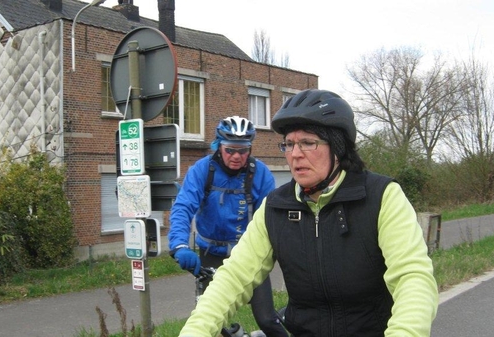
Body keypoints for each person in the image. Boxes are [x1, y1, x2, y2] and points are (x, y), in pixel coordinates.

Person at [178, 89, 438, 337]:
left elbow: (412, 278)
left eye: (307, 143)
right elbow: (233, 278)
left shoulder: (382, 197)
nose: (295, 155)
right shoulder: (275, 207)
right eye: (289, 144)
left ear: (338, 147)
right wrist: (194, 331)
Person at [168, 116, 289, 336]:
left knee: (267, 319)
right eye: (230, 149)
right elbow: (183, 206)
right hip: (210, 254)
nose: (236, 156)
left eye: (243, 151)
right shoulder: (203, 170)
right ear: (218, 146)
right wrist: (179, 245)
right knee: (211, 321)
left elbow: (272, 217)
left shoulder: (259, 173)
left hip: (247, 256)